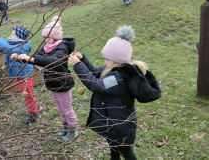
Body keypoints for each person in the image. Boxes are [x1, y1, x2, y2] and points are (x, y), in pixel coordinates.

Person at [68, 25, 161, 160]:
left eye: (107, 59)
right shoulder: (114, 70)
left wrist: (77, 65)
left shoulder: (119, 79)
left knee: (127, 153)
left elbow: (96, 85)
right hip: (113, 123)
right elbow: (94, 72)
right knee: (114, 148)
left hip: (120, 127)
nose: (105, 62)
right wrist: (82, 60)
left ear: (117, 60)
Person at [11, 16, 78, 143]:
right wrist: (21, 57)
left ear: (56, 37)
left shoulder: (62, 47)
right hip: (52, 83)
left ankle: (72, 129)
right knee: (60, 108)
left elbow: (52, 61)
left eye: (47, 37)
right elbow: (36, 56)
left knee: (67, 109)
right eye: (44, 38)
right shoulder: (47, 47)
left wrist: (30, 58)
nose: (45, 40)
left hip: (62, 82)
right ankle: (65, 127)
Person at [0, 26, 41, 124]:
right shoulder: (16, 43)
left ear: (20, 37)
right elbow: (6, 45)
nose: (10, 36)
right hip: (20, 74)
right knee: (29, 92)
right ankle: (36, 106)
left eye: (13, 35)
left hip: (24, 74)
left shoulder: (22, 46)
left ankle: (34, 114)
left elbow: (9, 49)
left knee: (27, 94)